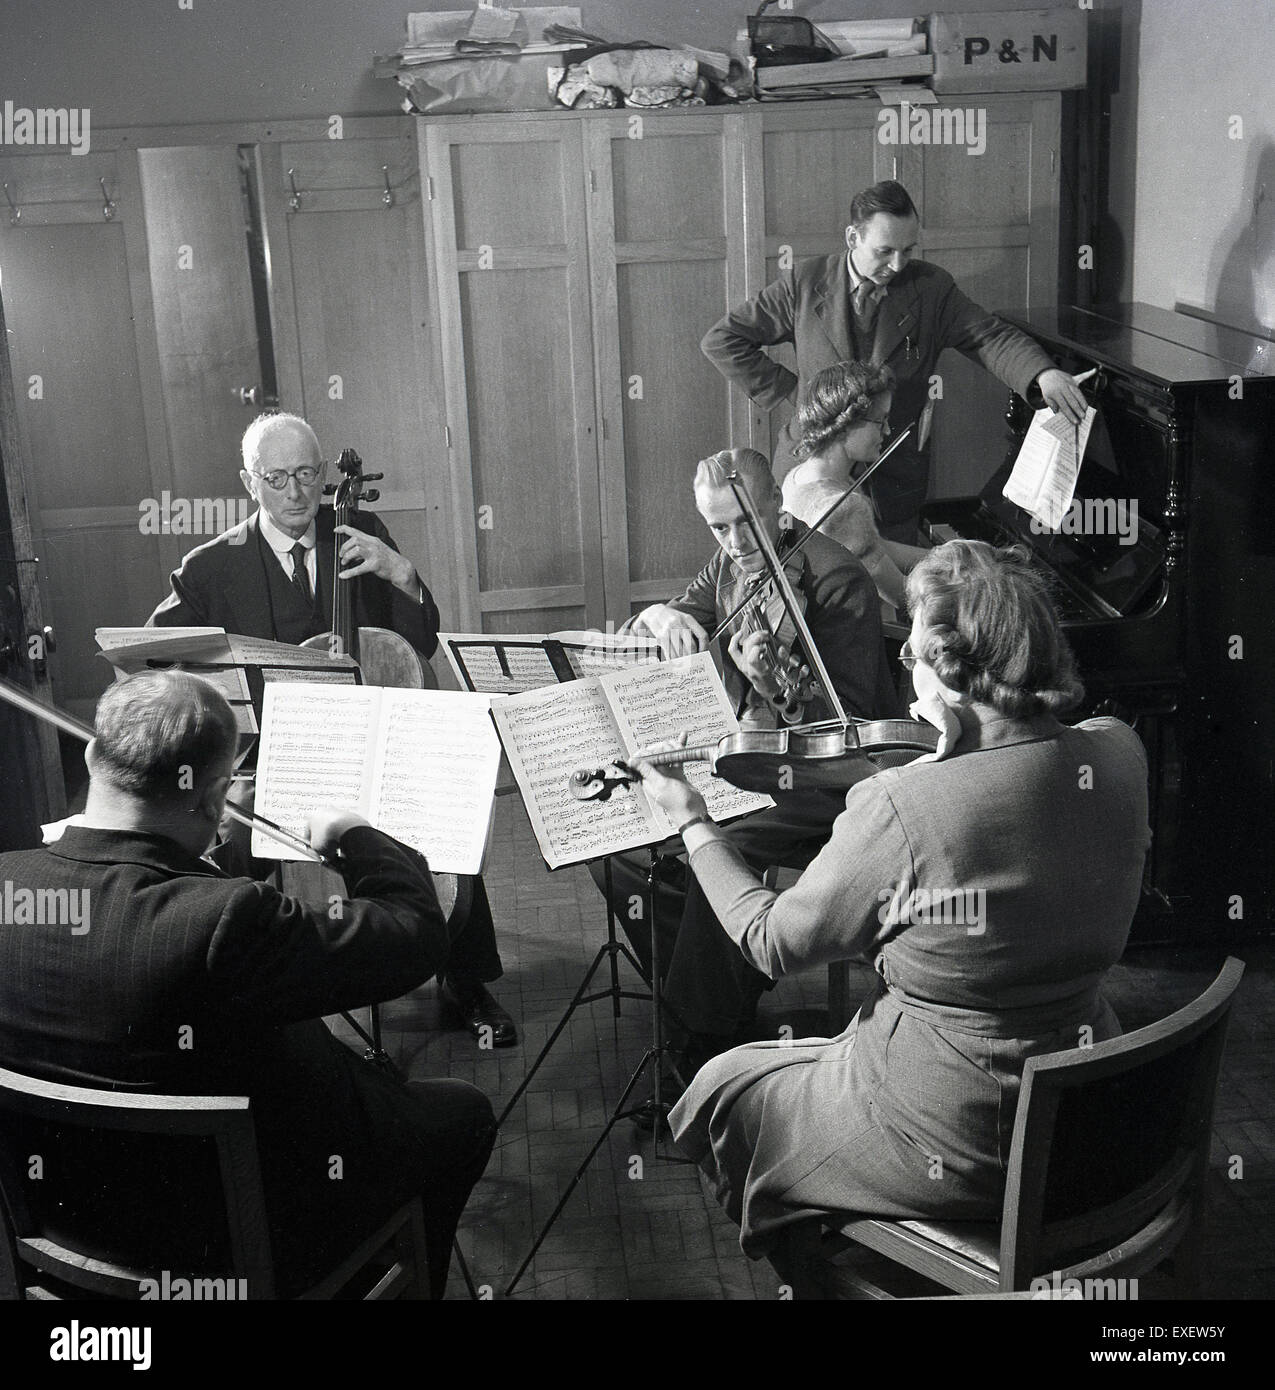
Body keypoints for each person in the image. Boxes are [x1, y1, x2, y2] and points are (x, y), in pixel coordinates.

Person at [630, 539, 1151, 1262]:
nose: (904, 666)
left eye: (910, 652)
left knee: (726, 1086)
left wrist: (691, 819)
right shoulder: (1120, 752)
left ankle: (812, 1255)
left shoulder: (902, 804)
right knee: (792, 1063)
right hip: (1092, 1097)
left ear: (947, 665)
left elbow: (769, 940)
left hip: (965, 1127)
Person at [0, 671, 495, 1298]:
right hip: (236, 1239)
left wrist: (202, 847)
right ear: (212, 798)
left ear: (94, 755)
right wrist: (355, 834)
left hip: (74, 1216)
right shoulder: (225, 920)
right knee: (462, 1115)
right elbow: (414, 934)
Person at [149, 411, 516, 1046]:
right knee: (227, 830)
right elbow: (158, 652)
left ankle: (462, 975)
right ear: (249, 481)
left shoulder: (359, 529)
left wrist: (401, 575)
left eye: (309, 475)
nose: (297, 493)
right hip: (271, 757)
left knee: (443, 817)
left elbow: (420, 641)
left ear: (325, 475)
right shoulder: (212, 566)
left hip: (375, 750)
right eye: (279, 477)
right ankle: (231, 982)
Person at [599, 447, 899, 1074]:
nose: (735, 541)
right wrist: (665, 614)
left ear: (775, 509)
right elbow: (693, 603)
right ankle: (717, 997)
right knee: (619, 842)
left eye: (745, 523)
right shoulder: (729, 565)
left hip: (827, 778)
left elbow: (851, 724)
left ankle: (700, 1043)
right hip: (750, 758)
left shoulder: (837, 580)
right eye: (717, 527)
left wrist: (774, 687)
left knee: (716, 845)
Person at [701, 180, 1088, 541]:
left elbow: (989, 337)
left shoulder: (931, 288)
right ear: (853, 237)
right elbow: (724, 340)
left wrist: (1044, 373)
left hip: (893, 473)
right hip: (811, 469)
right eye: (885, 251)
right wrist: (798, 394)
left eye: (908, 250)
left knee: (895, 583)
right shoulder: (804, 283)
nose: (899, 264)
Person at [781, 360, 928, 618]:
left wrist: (944, 555)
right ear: (845, 424)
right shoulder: (842, 507)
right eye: (880, 421)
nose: (887, 430)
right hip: (846, 636)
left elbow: (874, 546)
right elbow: (902, 597)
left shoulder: (798, 477)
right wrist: (965, 580)